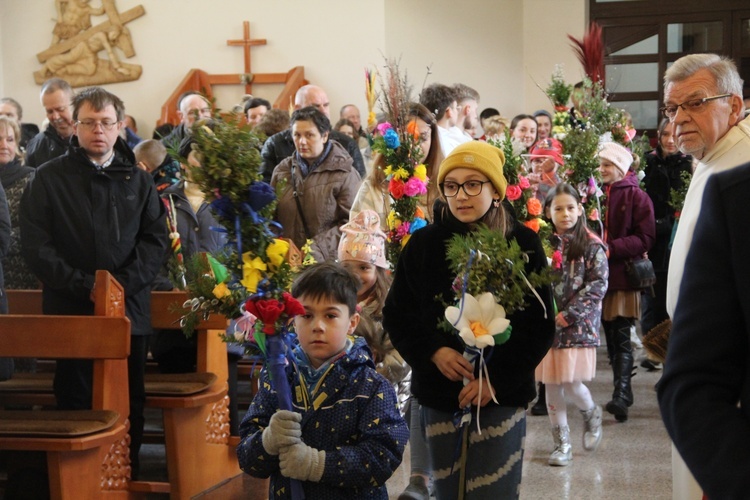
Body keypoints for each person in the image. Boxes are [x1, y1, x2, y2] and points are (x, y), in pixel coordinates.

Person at [383, 141, 555, 498]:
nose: (461, 195)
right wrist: (433, 351)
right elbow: (398, 314)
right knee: (445, 489)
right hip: (439, 393)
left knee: (494, 489)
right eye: (452, 185)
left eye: (474, 183)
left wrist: (496, 381)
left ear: (496, 189)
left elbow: (539, 326)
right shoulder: (423, 244)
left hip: (500, 395)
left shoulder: (521, 243)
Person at [19, 86, 167, 477]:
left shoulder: (138, 180)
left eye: (106, 123)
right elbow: (36, 244)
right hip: (71, 308)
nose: (97, 131)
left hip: (129, 308)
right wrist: (84, 285)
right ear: (75, 127)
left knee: (129, 398)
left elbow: (155, 242)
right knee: (74, 397)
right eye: (89, 122)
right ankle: (77, 482)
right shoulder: (48, 179)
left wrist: (118, 287)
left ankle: (124, 476)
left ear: (120, 127)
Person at [237, 262, 409, 499]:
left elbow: (384, 455)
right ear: (292, 320)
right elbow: (247, 459)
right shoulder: (277, 378)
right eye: (306, 315)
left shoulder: (371, 386)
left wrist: (317, 464)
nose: (318, 326)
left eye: (330, 315)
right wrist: (268, 440)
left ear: (352, 322)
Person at [660, 52, 750, 500]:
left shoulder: (741, 166)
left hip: (725, 388)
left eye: (695, 103)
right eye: (672, 108)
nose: (679, 119)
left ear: (734, 106)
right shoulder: (715, 156)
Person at [536, 183, 608, 466]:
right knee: (552, 384)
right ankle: (561, 443)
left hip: (576, 326)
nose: (565, 214)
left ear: (580, 209)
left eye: (570, 208)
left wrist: (569, 314)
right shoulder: (544, 243)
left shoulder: (591, 244)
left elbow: (598, 285)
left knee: (570, 382)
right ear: (548, 212)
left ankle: (591, 413)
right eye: (558, 209)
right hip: (549, 326)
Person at [597, 141, 655, 423]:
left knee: (620, 337)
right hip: (599, 278)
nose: (602, 170)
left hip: (623, 277)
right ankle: (623, 390)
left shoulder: (637, 197)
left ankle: (621, 394)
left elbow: (646, 238)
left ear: (621, 167)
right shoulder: (596, 194)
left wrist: (611, 248)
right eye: (601, 165)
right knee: (611, 337)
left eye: (607, 165)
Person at [270, 106, 360, 262]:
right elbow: (271, 217)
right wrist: (278, 244)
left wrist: (314, 250)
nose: (302, 141)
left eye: (309, 135)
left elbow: (352, 225)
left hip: (325, 265)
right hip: (286, 264)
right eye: (297, 135)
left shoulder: (345, 174)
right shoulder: (282, 170)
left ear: (324, 136)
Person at [338, 210, 409, 407]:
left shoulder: (388, 308)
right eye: (347, 268)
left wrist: (378, 375)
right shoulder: (335, 303)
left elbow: (401, 352)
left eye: (364, 268)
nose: (355, 276)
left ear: (378, 270)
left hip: (382, 392)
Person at [640, 118, 692, 369]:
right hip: (651, 235)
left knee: (670, 295)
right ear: (658, 136)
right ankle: (652, 349)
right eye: (665, 135)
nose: (670, 140)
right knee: (650, 296)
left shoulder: (688, 164)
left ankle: (668, 349)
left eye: (674, 135)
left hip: (675, 236)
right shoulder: (648, 163)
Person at [351, 103, 443, 229]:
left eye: (423, 138)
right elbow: (357, 239)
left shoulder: (443, 185)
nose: (414, 146)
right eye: (407, 138)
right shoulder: (373, 187)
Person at [260, 85, 365, 182]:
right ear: (297, 108)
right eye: (316, 106)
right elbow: (266, 188)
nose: (323, 111)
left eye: (326, 105)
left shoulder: (347, 143)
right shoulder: (275, 144)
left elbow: (359, 187)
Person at [0, 117, 37, 291]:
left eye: (9, 139)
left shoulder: (30, 178)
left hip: (19, 271)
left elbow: (35, 229)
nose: (4, 145)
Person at [25, 78, 75, 168]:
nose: (55, 117)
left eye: (60, 109)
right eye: (50, 111)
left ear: (74, 105)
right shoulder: (36, 146)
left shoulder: (93, 138)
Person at [420, 83, 467, 156]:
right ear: (449, 112)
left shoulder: (423, 136)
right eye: (455, 108)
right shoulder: (450, 144)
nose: (457, 112)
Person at [527, 137, 564, 202]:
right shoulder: (525, 181)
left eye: (548, 162)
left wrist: (549, 175)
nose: (542, 165)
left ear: (558, 165)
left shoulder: (563, 185)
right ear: (531, 163)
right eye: (537, 161)